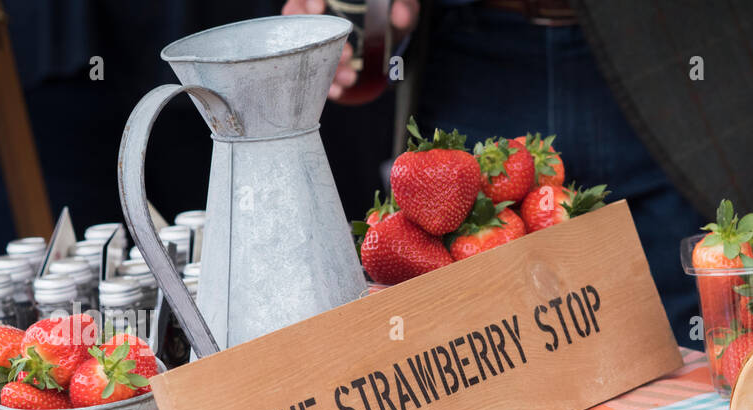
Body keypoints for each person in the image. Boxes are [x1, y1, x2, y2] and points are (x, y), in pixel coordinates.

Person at [282, 0, 705, 342]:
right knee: (468, 350)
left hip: (670, 49)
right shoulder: (445, 169)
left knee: (692, 346)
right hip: (471, 47)